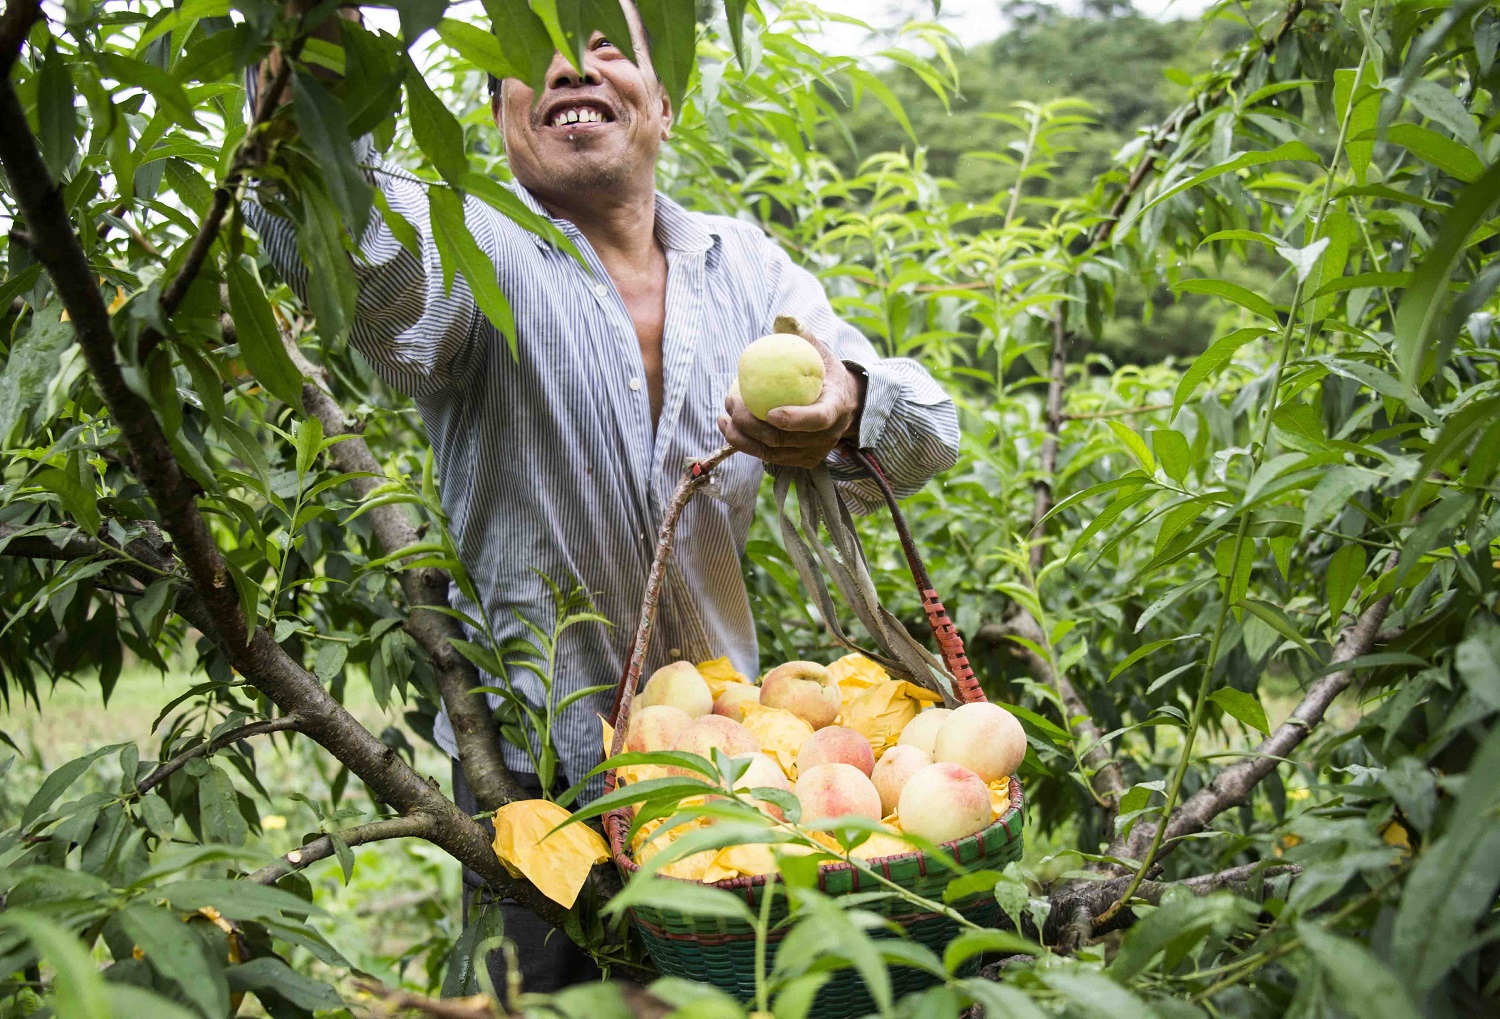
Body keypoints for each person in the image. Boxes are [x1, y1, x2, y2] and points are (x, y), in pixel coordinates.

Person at [247, 0, 959, 994]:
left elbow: (928, 429)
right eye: (529, 54)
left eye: (606, 46)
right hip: (536, 780)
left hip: (735, 758)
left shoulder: (748, 270)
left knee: (734, 999)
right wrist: (310, 58)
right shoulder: (475, 242)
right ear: (500, 111)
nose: (571, 68)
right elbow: (362, 264)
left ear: (663, 102)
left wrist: (844, 403)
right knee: (552, 1005)